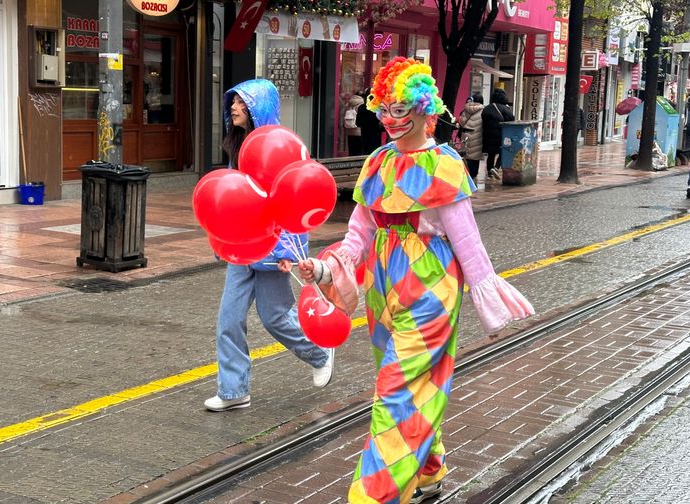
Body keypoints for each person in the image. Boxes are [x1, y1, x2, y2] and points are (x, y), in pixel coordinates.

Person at [297, 58, 534, 503]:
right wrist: (327, 269)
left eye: (401, 106)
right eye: (384, 106)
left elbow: (468, 242)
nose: (389, 117)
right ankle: (428, 468)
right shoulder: (378, 162)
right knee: (410, 385)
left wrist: (488, 295)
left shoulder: (444, 166)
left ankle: (375, 495)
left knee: (396, 393)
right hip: (382, 289)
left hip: (430, 288)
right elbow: (358, 236)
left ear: (426, 111)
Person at [206, 79, 334, 412]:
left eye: (242, 103)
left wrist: (288, 254)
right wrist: (224, 238)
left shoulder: (280, 146)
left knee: (275, 317)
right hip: (242, 248)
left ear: (258, 107)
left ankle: (319, 352)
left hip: (273, 253)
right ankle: (234, 391)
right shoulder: (238, 145)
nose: (234, 108)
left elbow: (292, 204)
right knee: (229, 319)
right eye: (232, 102)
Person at [481, 88, 514, 180]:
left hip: (488, 135)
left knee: (491, 154)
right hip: (501, 135)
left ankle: (489, 173)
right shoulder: (506, 109)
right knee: (503, 152)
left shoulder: (487, 108)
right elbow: (511, 120)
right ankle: (496, 167)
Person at [458, 94, 484, 181]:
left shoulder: (466, 109)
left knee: (467, 154)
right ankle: (473, 175)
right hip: (477, 135)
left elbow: (461, 122)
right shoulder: (483, 110)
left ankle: (466, 172)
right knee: (475, 156)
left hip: (466, 134)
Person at [356, 87, 384, 155]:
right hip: (376, 134)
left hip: (365, 134)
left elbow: (358, 123)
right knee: (375, 152)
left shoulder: (361, 107)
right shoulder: (378, 108)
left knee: (366, 152)